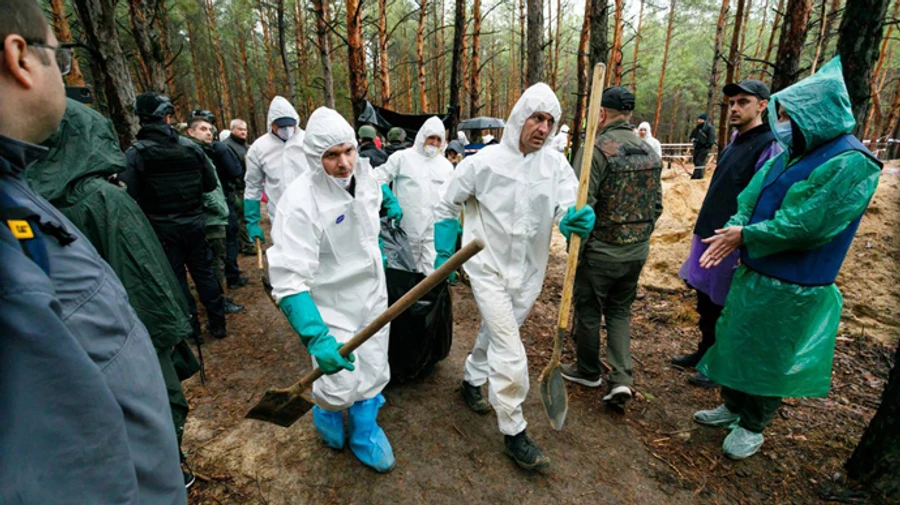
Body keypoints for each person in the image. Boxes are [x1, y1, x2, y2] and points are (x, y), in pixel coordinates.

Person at [0, 2, 185, 501]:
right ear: (20, 58)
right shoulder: (96, 202)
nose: (63, 77)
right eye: (59, 58)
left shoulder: (22, 197)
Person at [692, 57, 882, 460]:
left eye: (788, 116)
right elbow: (751, 196)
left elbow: (808, 225)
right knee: (737, 340)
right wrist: (737, 227)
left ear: (817, 115)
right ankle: (732, 405)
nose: (783, 124)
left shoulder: (851, 162)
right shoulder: (793, 151)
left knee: (770, 355)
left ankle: (753, 423)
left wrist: (747, 235)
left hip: (796, 283)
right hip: (756, 270)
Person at [26, 98, 202, 488]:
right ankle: (166, 472)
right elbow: (144, 273)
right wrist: (170, 330)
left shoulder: (28, 201)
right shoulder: (103, 199)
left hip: (65, 344)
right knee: (152, 402)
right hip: (125, 332)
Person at [434, 83, 595, 471]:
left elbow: (566, 205)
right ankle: (514, 430)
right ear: (520, 117)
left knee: (497, 331)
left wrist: (573, 219)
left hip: (529, 272)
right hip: (487, 267)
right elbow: (447, 203)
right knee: (509, 347)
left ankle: (472, 379)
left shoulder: (554, 166)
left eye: (550, 121)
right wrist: (443, 252)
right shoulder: (483, 163)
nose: (543, 128)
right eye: (537, 118)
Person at [267, 107, 400, 473]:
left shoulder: (365, 176)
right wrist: (315, 335)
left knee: (374, 365)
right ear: (315, 157)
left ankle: (365, 431)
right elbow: (289, 277)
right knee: (337, 380)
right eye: (331, 155)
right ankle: (326, 414)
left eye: (348, 151)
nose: (344, 163)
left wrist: (386, 207)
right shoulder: (300, 202)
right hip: (331, 303)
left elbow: (368, 211)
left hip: (373, 294)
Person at [672, 80, 781, 389]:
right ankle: (705, 352)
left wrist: (746, 238)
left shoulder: (769, 145)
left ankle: (719, 364)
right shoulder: (734, 140)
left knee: (724, 304)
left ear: (762, 105)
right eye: (732, 102)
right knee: (705, 299)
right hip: (710, 230)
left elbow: (764, 198)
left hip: (731, 239)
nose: (734, 108)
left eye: (743, 102)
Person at [560, 87, 663, 409]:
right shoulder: (649, 151)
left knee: (589, 311)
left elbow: (581, 207)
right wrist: (639, 237)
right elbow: (657, 206)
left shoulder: (596, 150)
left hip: (601, 251)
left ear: (601, 114)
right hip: (636, 251)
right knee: (619, 312)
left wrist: (575, 251)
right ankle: (621, 379)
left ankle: (588, 370)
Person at [121, 92, 228, 339]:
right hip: (194, 224)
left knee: (176, 278)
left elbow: (129, 192)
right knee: (204, 273)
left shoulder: (135, 154)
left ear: (141, 119)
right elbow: (210, 184)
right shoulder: (190, 148)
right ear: (167, 117)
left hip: (162, 228)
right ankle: (218, 323)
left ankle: (192, 329)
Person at [375, 117, 453, 275]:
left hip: (432, 229)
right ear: (422, 136)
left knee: (432, 274)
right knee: (406, 274)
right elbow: (377, 177)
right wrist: (389, 200)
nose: (434, 143)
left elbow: (451, 198)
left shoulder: (446, 166)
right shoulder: (402, 158)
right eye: (431, 137)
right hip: (405, 228)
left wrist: (451, 230)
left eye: (439, 139)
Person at [185, 116, 244, 314]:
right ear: (190, 132)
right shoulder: (193, 154)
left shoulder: (205, 152)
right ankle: (219, 302)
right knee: (215, 262)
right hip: (210, 219)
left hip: (209, 217)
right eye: (203, 129)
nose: (209, 133)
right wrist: (219, 208)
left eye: (210, 129)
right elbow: (204, 189)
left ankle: (217, 299)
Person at [244, 96, 306, 245]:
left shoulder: (308, 140)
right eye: (281, 126)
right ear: (271, 124)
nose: (287, 129)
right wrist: (252, 221)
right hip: (280, 214)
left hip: (310, 210)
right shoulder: (259, 148)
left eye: (290, 125)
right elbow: (253, 186)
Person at [223, 118, 257, 255]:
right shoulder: (227, 146)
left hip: (246, 186)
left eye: (245, 129)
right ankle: (247, 245)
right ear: (232, 130)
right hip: (236, 188)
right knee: (243, 217)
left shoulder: (245, 146)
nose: (243, 132)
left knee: (246, 216)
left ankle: (245, 243)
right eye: (240, 129)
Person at [690, 113, 716, 179]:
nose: (699, 120)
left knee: (699, 161)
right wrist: (693, 140)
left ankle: (696, 176)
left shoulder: (709, 128)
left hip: (704, 148)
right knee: (695, 161)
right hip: (697, 147)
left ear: (704, 120)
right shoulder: (697, 128)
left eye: (701, 119)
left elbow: (711, 138)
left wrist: (707, 145)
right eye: (699, 119)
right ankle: (698, 175)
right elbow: (692, 136)